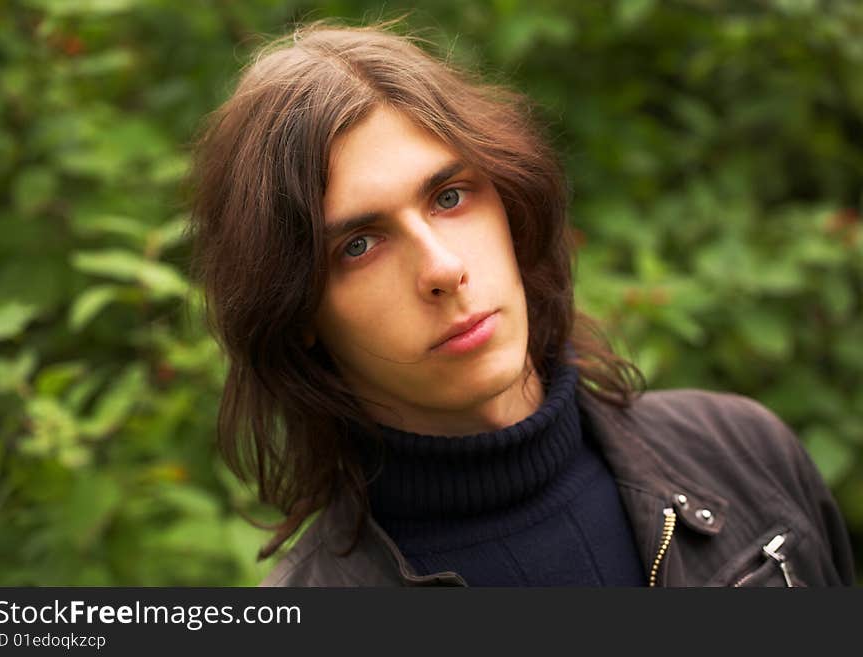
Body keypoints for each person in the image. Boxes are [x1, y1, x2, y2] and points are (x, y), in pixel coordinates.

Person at [187, 22, 855, 587]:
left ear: (511, 201)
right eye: (360, 244)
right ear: (295, 310)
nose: (443, 269)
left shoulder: (743, 454)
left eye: (450, 197)